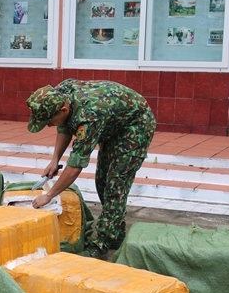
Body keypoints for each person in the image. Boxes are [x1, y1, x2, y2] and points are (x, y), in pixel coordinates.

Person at [26, 79, 156, 258]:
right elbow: (64, 126)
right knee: (102, 180)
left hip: (135, 126)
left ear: (63, 110)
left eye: (48, 121)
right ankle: (116, 233)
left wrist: (49, 195)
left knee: (115, 186)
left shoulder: (89, 116)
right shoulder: (61, 94)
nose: (48, 125)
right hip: (112, 125)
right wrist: (55, 159)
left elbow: (75, 166)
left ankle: (102, 245)